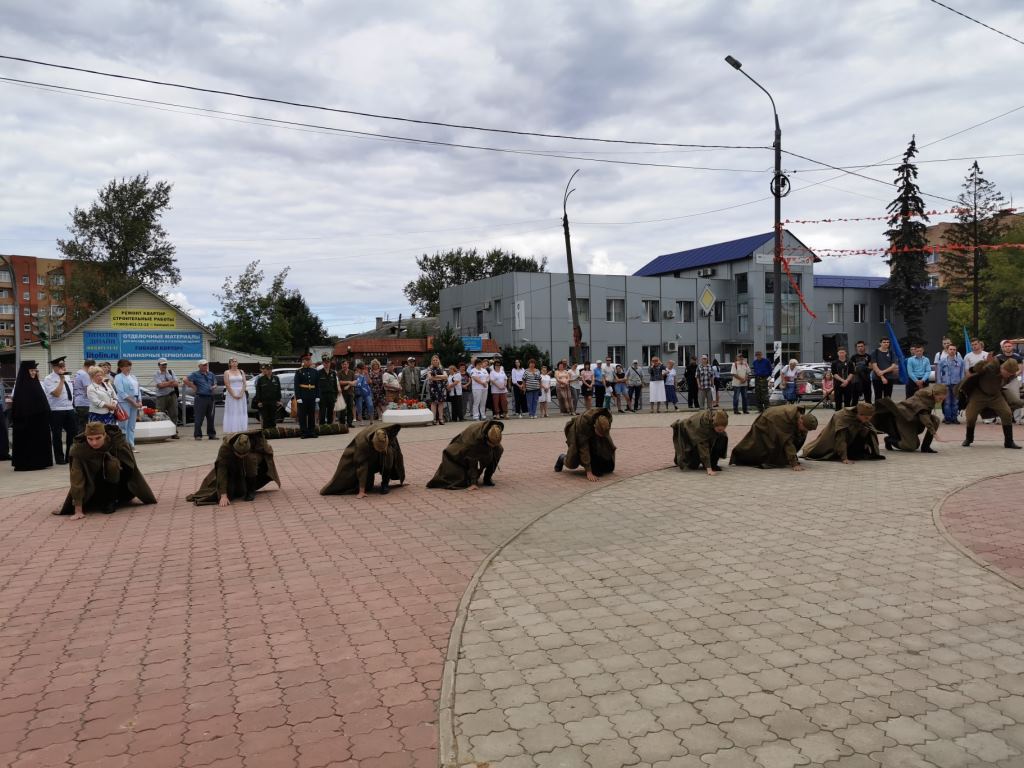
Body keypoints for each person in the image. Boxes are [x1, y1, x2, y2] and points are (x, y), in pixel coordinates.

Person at [53, 422, 156, 519]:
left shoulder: (118, 442)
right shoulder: (79, 450)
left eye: (98, 438)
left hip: (121, 485)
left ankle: (111, 500)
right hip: (93, 486)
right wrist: (78, 509)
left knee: (112, 464)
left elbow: (131, 467)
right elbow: (76, 478)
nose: (94, 443)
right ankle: (103, 500)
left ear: (105, 435)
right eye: (90, 439)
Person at [187, 430, 281, 506]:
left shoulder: (257, 440)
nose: (241, 456)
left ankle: (251, 490)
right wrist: (223, 495)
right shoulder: (225, 448)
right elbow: (222, 469)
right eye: (238, 454)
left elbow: (269, 452)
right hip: (232, 462)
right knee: (229, 489)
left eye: (243, 454)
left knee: (250, 460)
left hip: (253, 458)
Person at [320, 423, 405, 498]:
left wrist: (386, 449)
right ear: (373, 443)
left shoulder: (389, 431)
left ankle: (385, 484)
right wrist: (362, 490)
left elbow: (395, 431)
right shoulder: (362, 443)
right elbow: (361, 466)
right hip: (367, 455)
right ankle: (364, 485)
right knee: (367, 485)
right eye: (379, 449)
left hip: (385, 446)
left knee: (389, 455)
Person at [729, 405, 818, 471]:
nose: (805, 431)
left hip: (773, 418)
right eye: (805, 429)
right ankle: (738, 455)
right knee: (760, 447)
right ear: (801, 421)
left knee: (794, 438)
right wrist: (794, 464)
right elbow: (788, 442)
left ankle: (786, 457)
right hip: (766, 421)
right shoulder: (786, 421)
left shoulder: (797, 417)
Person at [958, 358, 1021, 449]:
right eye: (1007, 373)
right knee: (971, 417)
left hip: (996, 396)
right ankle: (969, 439)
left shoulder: (1011, 375)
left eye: (1011, 374)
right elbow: (976, 369)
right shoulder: (991, 367)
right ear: (1002, 368)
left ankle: (1009, 442)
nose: (1008, 376)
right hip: (979, 395)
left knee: (1007, 413)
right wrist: (983, 362)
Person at [426, 419, 504, 489]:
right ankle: (470, 479)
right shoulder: (473, 442)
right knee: (462, 480)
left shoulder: (495, 430)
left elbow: (494, 446)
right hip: (460, 449)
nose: (493, 447)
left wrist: (493, 449)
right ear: (487, 437)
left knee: (499, 450)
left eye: (494, 445)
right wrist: (473, 482)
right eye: (491, 444)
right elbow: (473, 461)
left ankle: (487, 478)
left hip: (481, 442)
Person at [872, 384, 947, 453]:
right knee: (911, 446)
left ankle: (925, 447)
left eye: (943, 399)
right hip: (905, 418)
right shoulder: (922, 400)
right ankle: (889, 440)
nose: (941, 401)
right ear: (934, 394)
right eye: (940, 398)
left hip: (914, 417)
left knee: (935, 420)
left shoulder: (931, 395)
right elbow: (925, 418)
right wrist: (934, 434)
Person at [803, 403, 884, 464]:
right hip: (833, 442)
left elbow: (870, 430)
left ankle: (856, 452)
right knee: (822, 450)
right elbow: (840, 439)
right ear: (859, 414)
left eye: (869, 418)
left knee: (868, 430)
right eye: (866, 418)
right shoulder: (842, 417)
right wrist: (844, 458)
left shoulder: (862, 415)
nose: (867, 420)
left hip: (850, 440)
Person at [11, 360, 53, 471]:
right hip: (25, 422)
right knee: (27, 443)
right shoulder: (21, 386)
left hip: (39, 421)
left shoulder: (36, 383)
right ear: (26, 371)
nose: (34, 373)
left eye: (35, 370)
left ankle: (40, 462)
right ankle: (26, 464)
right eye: (31, 370)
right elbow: (19, 406)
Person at [554, 407, 615, 481]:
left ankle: (592, 463)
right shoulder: (583, 422)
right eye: (600, 434)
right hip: (577, 432)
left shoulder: (607, 418)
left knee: (609, 467)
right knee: (572, 463)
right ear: (594, 426)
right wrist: (588, 471)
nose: (602, 436)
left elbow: (608, 443)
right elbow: (583, 448)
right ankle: (562, 458)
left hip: (592, 431)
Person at [672, 410, 729, 475]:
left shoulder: (721, 417)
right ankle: (682, 459)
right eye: (719, 429)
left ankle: (713, 463)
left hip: (703, 430)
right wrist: (709, 469)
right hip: (688, 432)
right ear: (714, 424)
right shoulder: (703, 426)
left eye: (724, 428)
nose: (722, 430)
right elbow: (703, 446)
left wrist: (712, 465)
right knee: (693, 465)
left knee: (722, 437)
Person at [43, 357, 77, 464]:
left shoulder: (67, 376)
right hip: (56, 410)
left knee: (73, 433)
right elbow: (56, 394)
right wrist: (61, 380)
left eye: (64, 366)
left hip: (69, 408)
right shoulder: (49, 378)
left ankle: (70, 456)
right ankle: (59, 458)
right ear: (54, 367)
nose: (63, 368)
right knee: (57, 435)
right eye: (60, 366)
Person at [183, 359, 217, 440]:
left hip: (210, 397)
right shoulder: (195, 374)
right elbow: (185, 379)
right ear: (199, 366)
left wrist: (214, 387)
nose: (205, 366)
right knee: (199, 417)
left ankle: (211, 434)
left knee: (211, 417)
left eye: (206, 365)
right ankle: (198, 435)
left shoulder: (211, 374)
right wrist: (192, 386)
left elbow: (215, 383)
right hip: (201, 397)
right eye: (204, 365)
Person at [113, 359, 142, 449]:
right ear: (120, 367)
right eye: (125, 366)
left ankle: (131, 444)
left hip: (135, 402)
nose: (128, 368)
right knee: (124, 424)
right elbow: (121, 392)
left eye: (129, 366)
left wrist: (139, 401)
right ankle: (123, 446)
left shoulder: (133, 377)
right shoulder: (118, 377)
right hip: (124, 402)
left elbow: (138, 389)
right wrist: (133, 401)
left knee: (132, 425)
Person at [936, 342, 965, 424]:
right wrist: (940, 384)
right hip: (945, 384)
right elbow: (938, 373)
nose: (952, 351)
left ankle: (954, 418)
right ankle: (947, 418)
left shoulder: (960, 361)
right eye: (950, 349)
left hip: (956, 384)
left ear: (956, 351)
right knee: (947, 402)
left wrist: (961, 384)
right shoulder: (942, 361)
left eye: (954, 349)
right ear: (947, 350)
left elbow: (962, 374)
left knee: (955, 402)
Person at [293, 352, 320, 439]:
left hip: (312, 395)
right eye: (307, 360)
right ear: (303, 361)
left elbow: (317, 385)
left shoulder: (315, 371)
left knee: (312, 414)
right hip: (303, 395)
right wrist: (298, 397)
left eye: (309, 360)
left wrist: (317, 395)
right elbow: (296, 385)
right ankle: (304, 432)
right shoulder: (299, 372)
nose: (309, 361)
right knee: (302, 415)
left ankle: (312, 431)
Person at [152, 358, 181, 438]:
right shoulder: (156, 374)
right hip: (161, 397)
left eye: (165, 364)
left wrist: (165, 383)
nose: (164, 366)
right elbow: (160, 386)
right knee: (160, 415)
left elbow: (176, 384)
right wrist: (170, 382)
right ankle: (160, 432)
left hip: (172, 395)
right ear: (159, 365)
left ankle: (174, 432)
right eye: (162, 364)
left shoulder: (171, 372)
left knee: (174, 414)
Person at [994, 339, 1024, 413]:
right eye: (1006, 346)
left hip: (1013, 380)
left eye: (1009, 346)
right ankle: (1003, 416)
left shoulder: (1018, 357)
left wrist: (1010, 375)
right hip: (1001, 380)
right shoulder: (998, 357)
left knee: (1015, 398)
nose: (1007, 347)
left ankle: (1017, 417)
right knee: (1001, 399)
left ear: (1012, 347)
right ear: (1003, 348)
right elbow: (996, 369)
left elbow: (1020, 370)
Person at [222, 358, 249, 433]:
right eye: (232, 362)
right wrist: (233, 395)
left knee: (241, 410)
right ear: (230, 364)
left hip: (241, 393)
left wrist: (241, 393)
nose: (234, 363)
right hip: (231, 393)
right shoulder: (227, 372)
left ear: (237, 363)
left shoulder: (241, 371)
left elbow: (244, 383)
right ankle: (232, 429)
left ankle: (241, 428)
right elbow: (227, 384)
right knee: (232, 410)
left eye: (235, 361)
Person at [254, 364, 282, 429]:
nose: (269, 371)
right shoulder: (261, 379)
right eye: (267, 369)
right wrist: (259, 401)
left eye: (270, 369)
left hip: (273, 401)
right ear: (265, 370)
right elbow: (258, 391)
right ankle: (266, 432)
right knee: (265, 418)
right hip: (264, 402)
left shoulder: (276, 378)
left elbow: (278, 390)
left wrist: (279, 400)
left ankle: (273, 432)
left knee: (273, 418)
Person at [73, 358, 95, 433]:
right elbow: (88, 390)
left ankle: (79, 439)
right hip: (84, 403)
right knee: (84, 426)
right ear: (91, 366)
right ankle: (82, 440)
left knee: (80, 425)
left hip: (78, 401)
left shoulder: (78, 372)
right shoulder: (85, 375)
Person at [316, 355, 338, 425]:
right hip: (322, 395)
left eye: (328, 362)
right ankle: (322, 426)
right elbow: (316, 385)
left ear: (330, 363)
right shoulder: (319, 373)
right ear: (323, 363)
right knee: (322, 412)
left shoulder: (333, 373)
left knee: (330, 412)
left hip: (331, 395)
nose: (327, 364)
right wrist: (317, 396)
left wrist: (336, 396)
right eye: (325, 363)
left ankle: (329, 426)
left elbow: (335, 385)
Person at [426, 355, 448, 425]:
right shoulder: (429, 368)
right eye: (434, 360)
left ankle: (441, 419)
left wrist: (436, 376)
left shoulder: (441, 368)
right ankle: (434, 419)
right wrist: (441, 378)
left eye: (436, 360)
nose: (435, 361)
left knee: (441, 403)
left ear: (438, 361)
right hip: (433, 387)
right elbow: (430, 378)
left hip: (441, 388)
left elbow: (446, 376)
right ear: (432, 361)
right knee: (434, 403)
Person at [851, 341, 873, 405]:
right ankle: (853, 411)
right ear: (856, 348)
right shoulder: (853, 357)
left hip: (866, 380)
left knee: (868, 400)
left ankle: (868, 410)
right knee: (854, 400)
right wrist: (862, 368)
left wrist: (861, 368)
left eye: (861, 346)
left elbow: (871, 367)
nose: (860, 348)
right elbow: (853, 368)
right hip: (856, 380)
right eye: (858, 346)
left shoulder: (868, 356)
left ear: (864, 347)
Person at [338, 360, 356, 428]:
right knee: (342, 409)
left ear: (348, 365)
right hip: (342, 393)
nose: (344, 366)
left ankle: (349, 423)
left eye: (345, 364)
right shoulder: (339, 372)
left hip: (350, 393)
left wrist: (348, 385)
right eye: (343, 364)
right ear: (341, 365)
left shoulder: (352, 372)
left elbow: (355, 382)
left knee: (350, 408)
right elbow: (339, 382)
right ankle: (342, 423)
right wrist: (348, 382)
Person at [0, 377, 9, 461]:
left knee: (3, 431)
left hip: (2, 408)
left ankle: (3, 453)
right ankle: (3, 454)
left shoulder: (1, 383)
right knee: (2, 431)